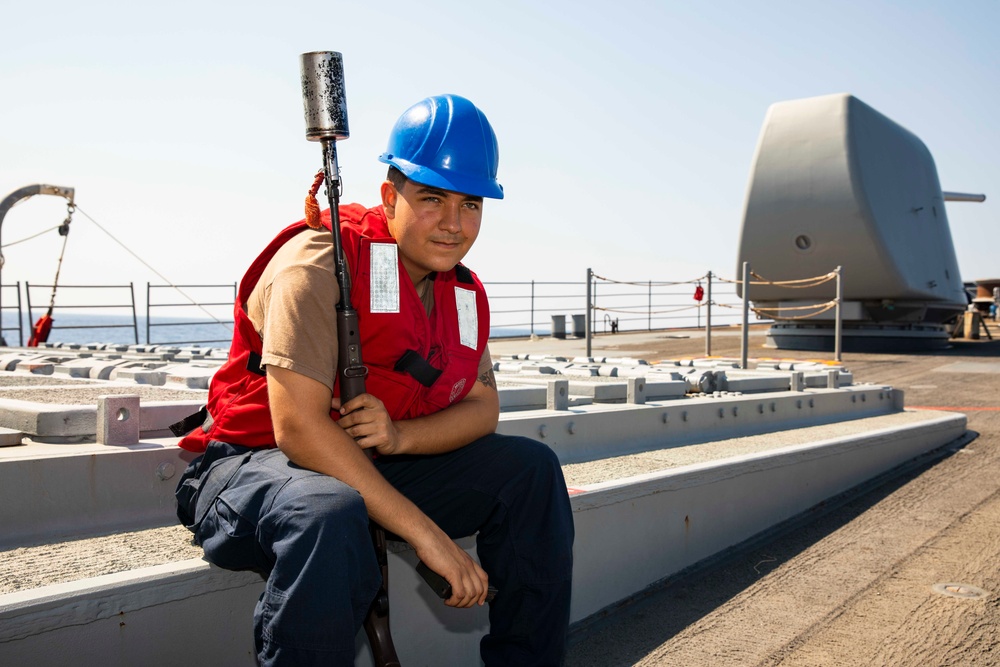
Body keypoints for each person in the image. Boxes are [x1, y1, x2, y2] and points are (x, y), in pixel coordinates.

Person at [173, 94, 575, 666]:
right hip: (252, 467)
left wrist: (401, 439)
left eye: (472, 205)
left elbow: (484, 408)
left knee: (531, 472)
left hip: (374, 465)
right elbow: (300, 431)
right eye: (432, 199)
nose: (454, 224)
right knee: (329, 511)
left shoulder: (461, 293)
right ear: (390, 196)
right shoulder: (316, 263)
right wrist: (426, 535)